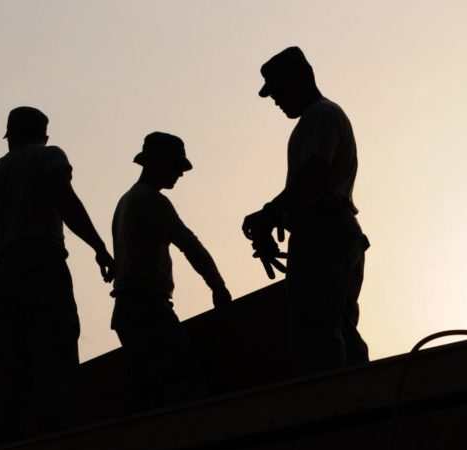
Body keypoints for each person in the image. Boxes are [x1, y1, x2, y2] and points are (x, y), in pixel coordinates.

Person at [0, 106, 115, 444]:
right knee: (55, 351)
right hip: (41, 268)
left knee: (8, 367)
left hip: (2, 280)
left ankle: (1, 440)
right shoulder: (47, 157)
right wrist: (99, 247)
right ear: (43, 135)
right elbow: (66, 203)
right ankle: (58, 437)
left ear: (9, 137)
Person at [242, 46, 369, 376]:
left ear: (302, 79)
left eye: (279, 91)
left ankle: (334, 402)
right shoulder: (317, 119)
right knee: (340, 330)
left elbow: (315, 174)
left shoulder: (321, 115)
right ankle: (365, 396)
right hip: (333, 235)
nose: (276, 101)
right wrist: (278, 217)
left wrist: (270, 214)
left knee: (317, 336)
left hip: (324, 236)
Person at [111, 132, 231, 410]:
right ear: (157, 164)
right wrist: (218, 286)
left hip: (128, 311)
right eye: (176, 166)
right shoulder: (151, 200)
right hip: (146, 307)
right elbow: (189, 244)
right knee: (184, 384)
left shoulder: (126, 201)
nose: (180, 173)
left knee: (151, 395)